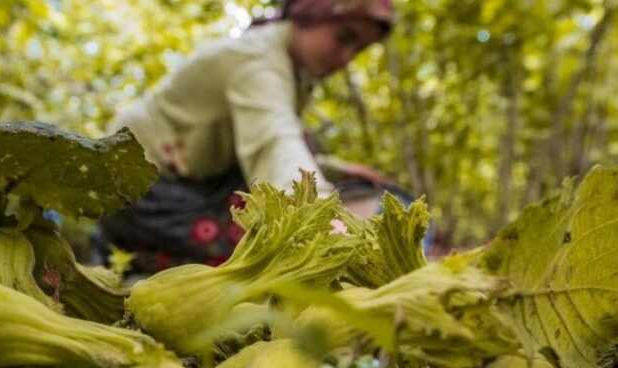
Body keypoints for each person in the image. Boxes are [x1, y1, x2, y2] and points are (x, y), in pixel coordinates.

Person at [95, 0, 407, 273]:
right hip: (135, 189)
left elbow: (272, 140)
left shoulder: (289, 68)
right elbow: (274, 144)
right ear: (309, 12)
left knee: (279, 201)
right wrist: (331, 226)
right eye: (344, 38)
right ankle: (130, 256)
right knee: (260, 244)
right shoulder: (256, 61)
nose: (345, 58)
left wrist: (336, 168)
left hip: (192, 181)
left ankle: (140, 255)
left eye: (358, 49)